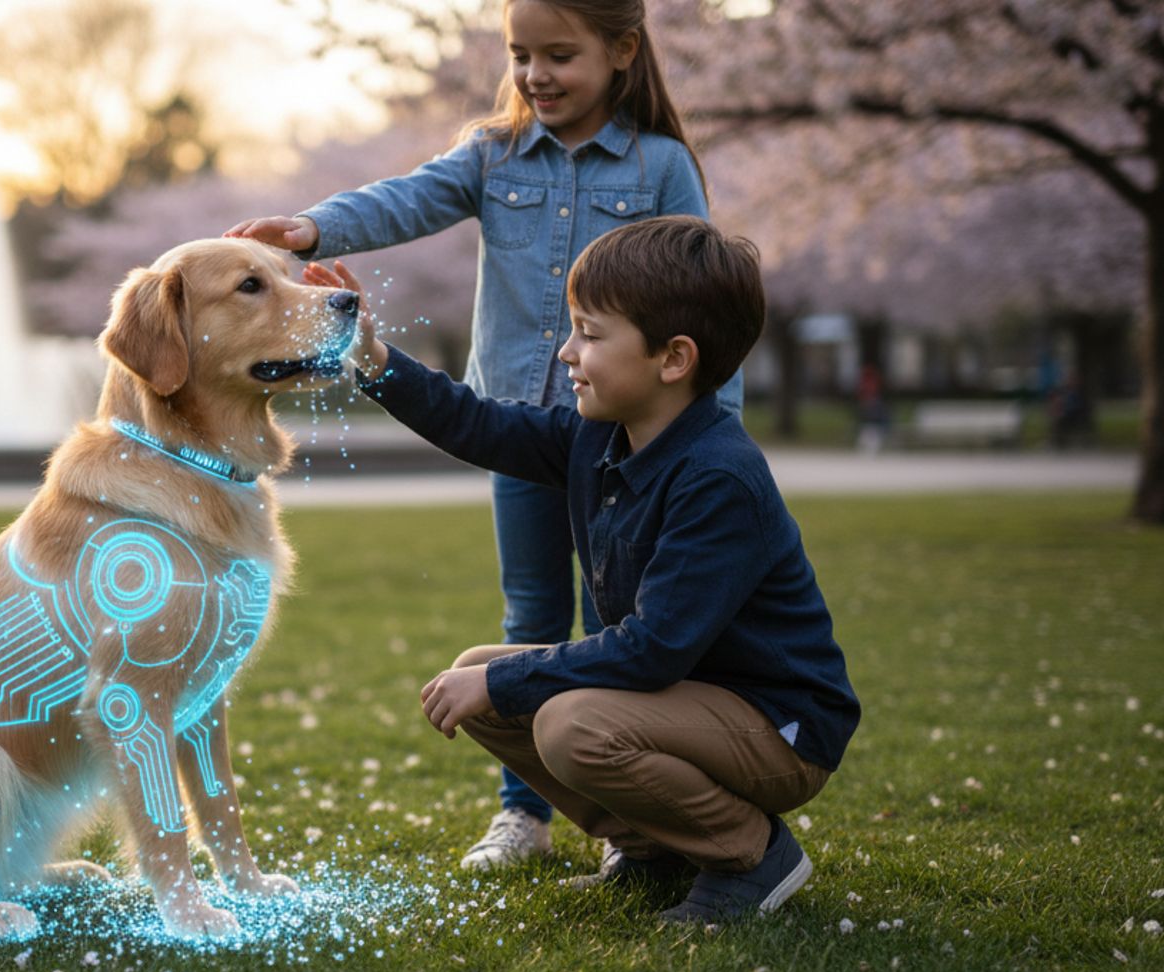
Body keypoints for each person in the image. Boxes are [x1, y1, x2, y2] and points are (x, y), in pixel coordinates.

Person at [227, 0, 743, 871]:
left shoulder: (659, 166)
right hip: (522, 429)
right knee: (532, 616)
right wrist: (316, 227)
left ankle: (634, 823)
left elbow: (704, 293)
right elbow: (410, 198)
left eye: (559, 54)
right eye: (520, 54)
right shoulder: (494, 156)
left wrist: (708, 431)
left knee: (616, 618)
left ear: (621, 53)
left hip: (632, 441)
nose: (536, 73)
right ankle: (524, 816)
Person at [309, 216, 860, 922]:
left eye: (591, 334)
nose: (567, 351)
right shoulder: (599, 436)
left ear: (674, 358)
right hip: (686, 700)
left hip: (777, 726)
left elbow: (651, 651)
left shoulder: (719, 477)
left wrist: (503, 681)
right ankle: (650, 849)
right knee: (483, 668)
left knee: (567, 720)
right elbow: (478, 424)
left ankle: (750, 854)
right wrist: (373, 357)